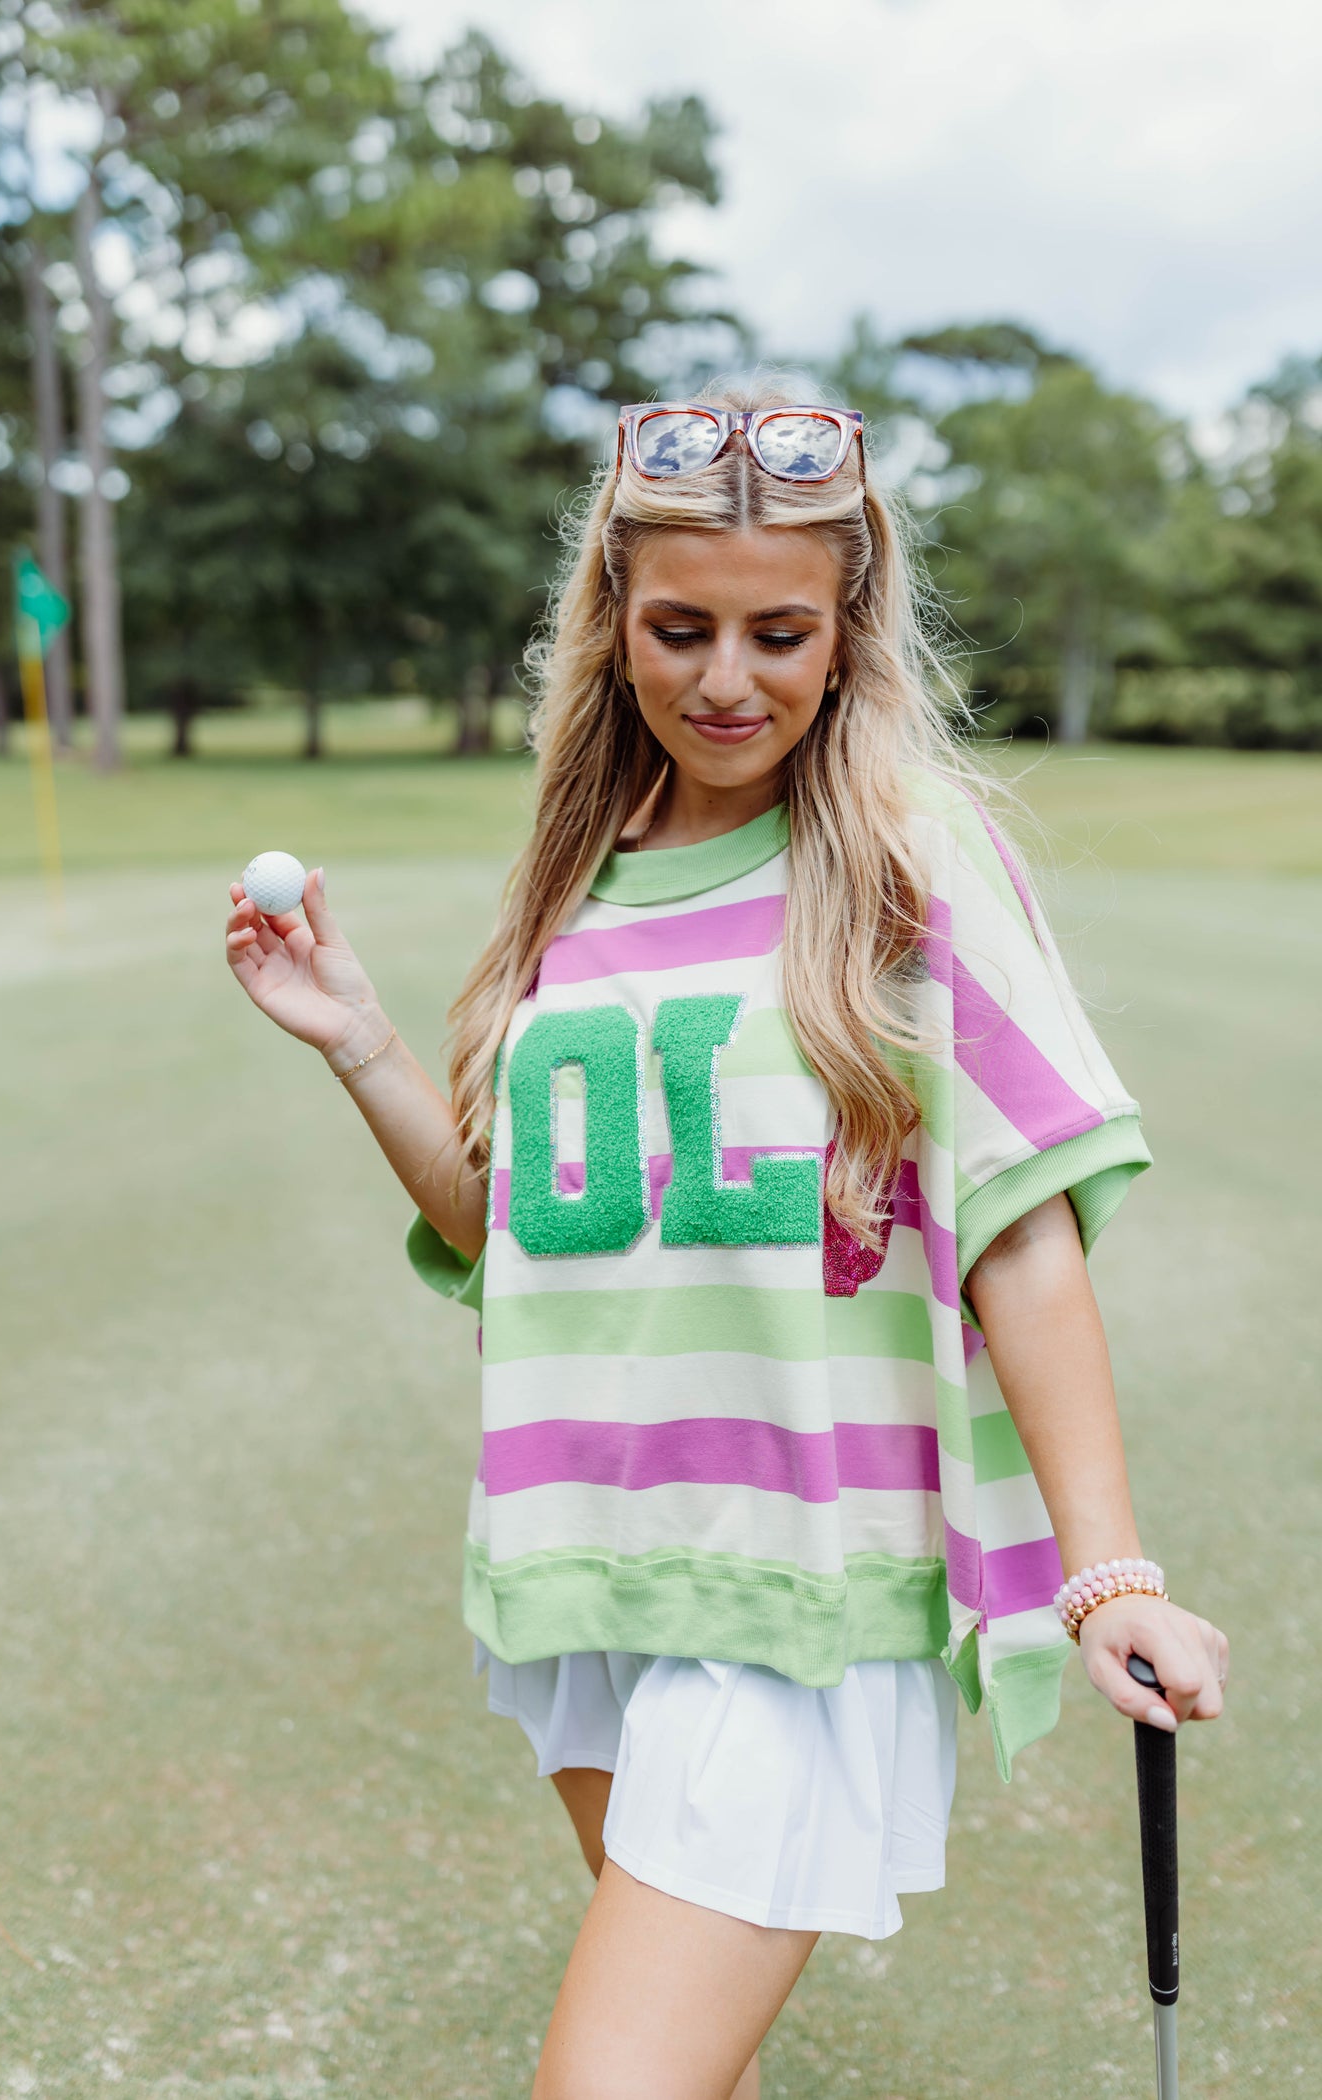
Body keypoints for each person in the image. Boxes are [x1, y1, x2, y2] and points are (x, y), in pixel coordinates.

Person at [223, 381, 1229, 2100]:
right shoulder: (579, 881)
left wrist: (1109, 1568)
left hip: (797, 1589)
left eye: (782, 632)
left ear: (849, 634)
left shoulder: (914, 864)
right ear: (611, 624)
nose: (727, 679)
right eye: (680, 628)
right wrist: (364, 1043)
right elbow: (516, 1237)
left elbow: (1019, 1231)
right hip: (583, 1562)